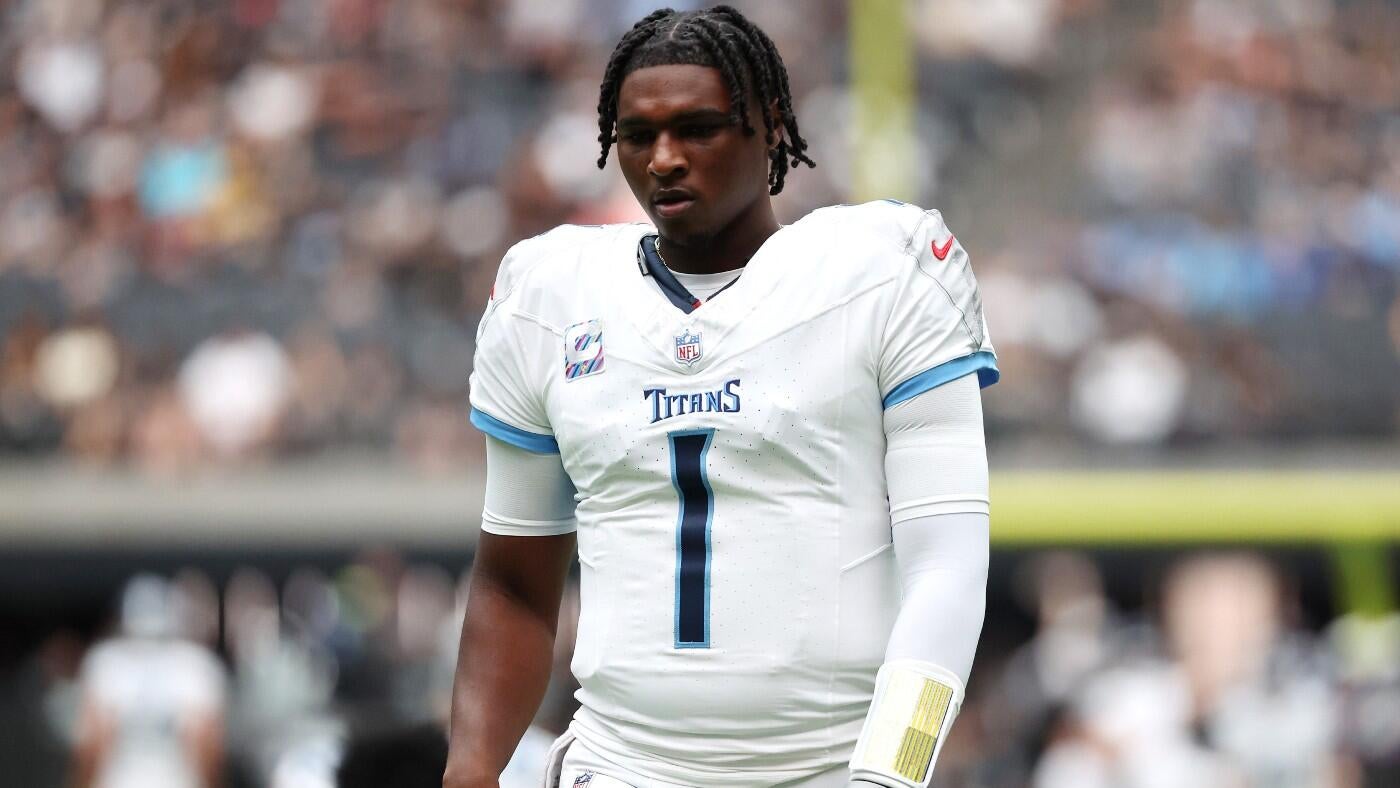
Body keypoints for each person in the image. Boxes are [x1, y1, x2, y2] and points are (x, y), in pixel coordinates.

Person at [444, 6, 997, 787]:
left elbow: (947, 570)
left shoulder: (884, 274)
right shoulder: (550, 296)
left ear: (770, 125)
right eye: (638, 135)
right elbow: (514, 583)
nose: (665, 159)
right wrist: (469, 771)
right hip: (623, 766)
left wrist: (889, 776)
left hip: (830, 768)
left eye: (698, 128)